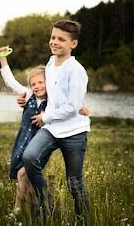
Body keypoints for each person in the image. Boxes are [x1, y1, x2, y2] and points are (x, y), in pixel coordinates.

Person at [0, 45, 89, 220]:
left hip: (40, 142)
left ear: (48, 82)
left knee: (22, 174)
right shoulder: (28, 94)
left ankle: (18, 209)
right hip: (23, 143)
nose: (37, 86)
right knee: (27, 178)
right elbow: (10, 81)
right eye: (33, 84)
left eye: (41, 82)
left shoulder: (52, 102)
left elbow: (71, 102)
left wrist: (82, 108)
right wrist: (3, 58)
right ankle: (37, 210)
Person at [18, 20, 91, 222]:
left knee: (74, 183)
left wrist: (45, 117)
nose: (55, 42)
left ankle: (83, 219)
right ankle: (46, 203)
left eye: (61, 39)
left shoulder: (76, 70)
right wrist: (27, 99)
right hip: (52, 129)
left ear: (73, 44)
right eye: (53, 37)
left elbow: (71, 106)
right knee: (29, 157)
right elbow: (47, 92)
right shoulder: (50, 63)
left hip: (74, 132)